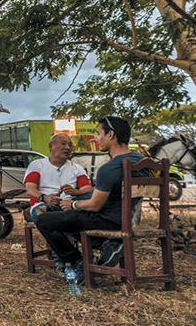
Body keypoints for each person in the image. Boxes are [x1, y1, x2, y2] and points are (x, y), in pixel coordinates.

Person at [35, 116, 145, 286]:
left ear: (111, 135)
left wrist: (72, 204)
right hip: (128, 218)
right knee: (63, 215)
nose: (96, 138)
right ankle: (108, 244)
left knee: (45, 219)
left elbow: (94, 205)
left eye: (99, 133)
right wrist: (80, 194)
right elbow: (112, 191)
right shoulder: (140, 160)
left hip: (109, 220)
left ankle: (79, 262)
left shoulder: (110, 167)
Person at [25, 133, 93, 223]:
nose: (67, 148)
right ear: (51, 146)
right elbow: (30, 189)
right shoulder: (37, 165)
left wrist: (75, 192)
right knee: (40, 214)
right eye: (63, 144)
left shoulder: (77, 168)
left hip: (68, 204)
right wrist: (45, 198)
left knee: (92, 196)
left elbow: (87, 189)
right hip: (42, 204)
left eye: (70, 145)